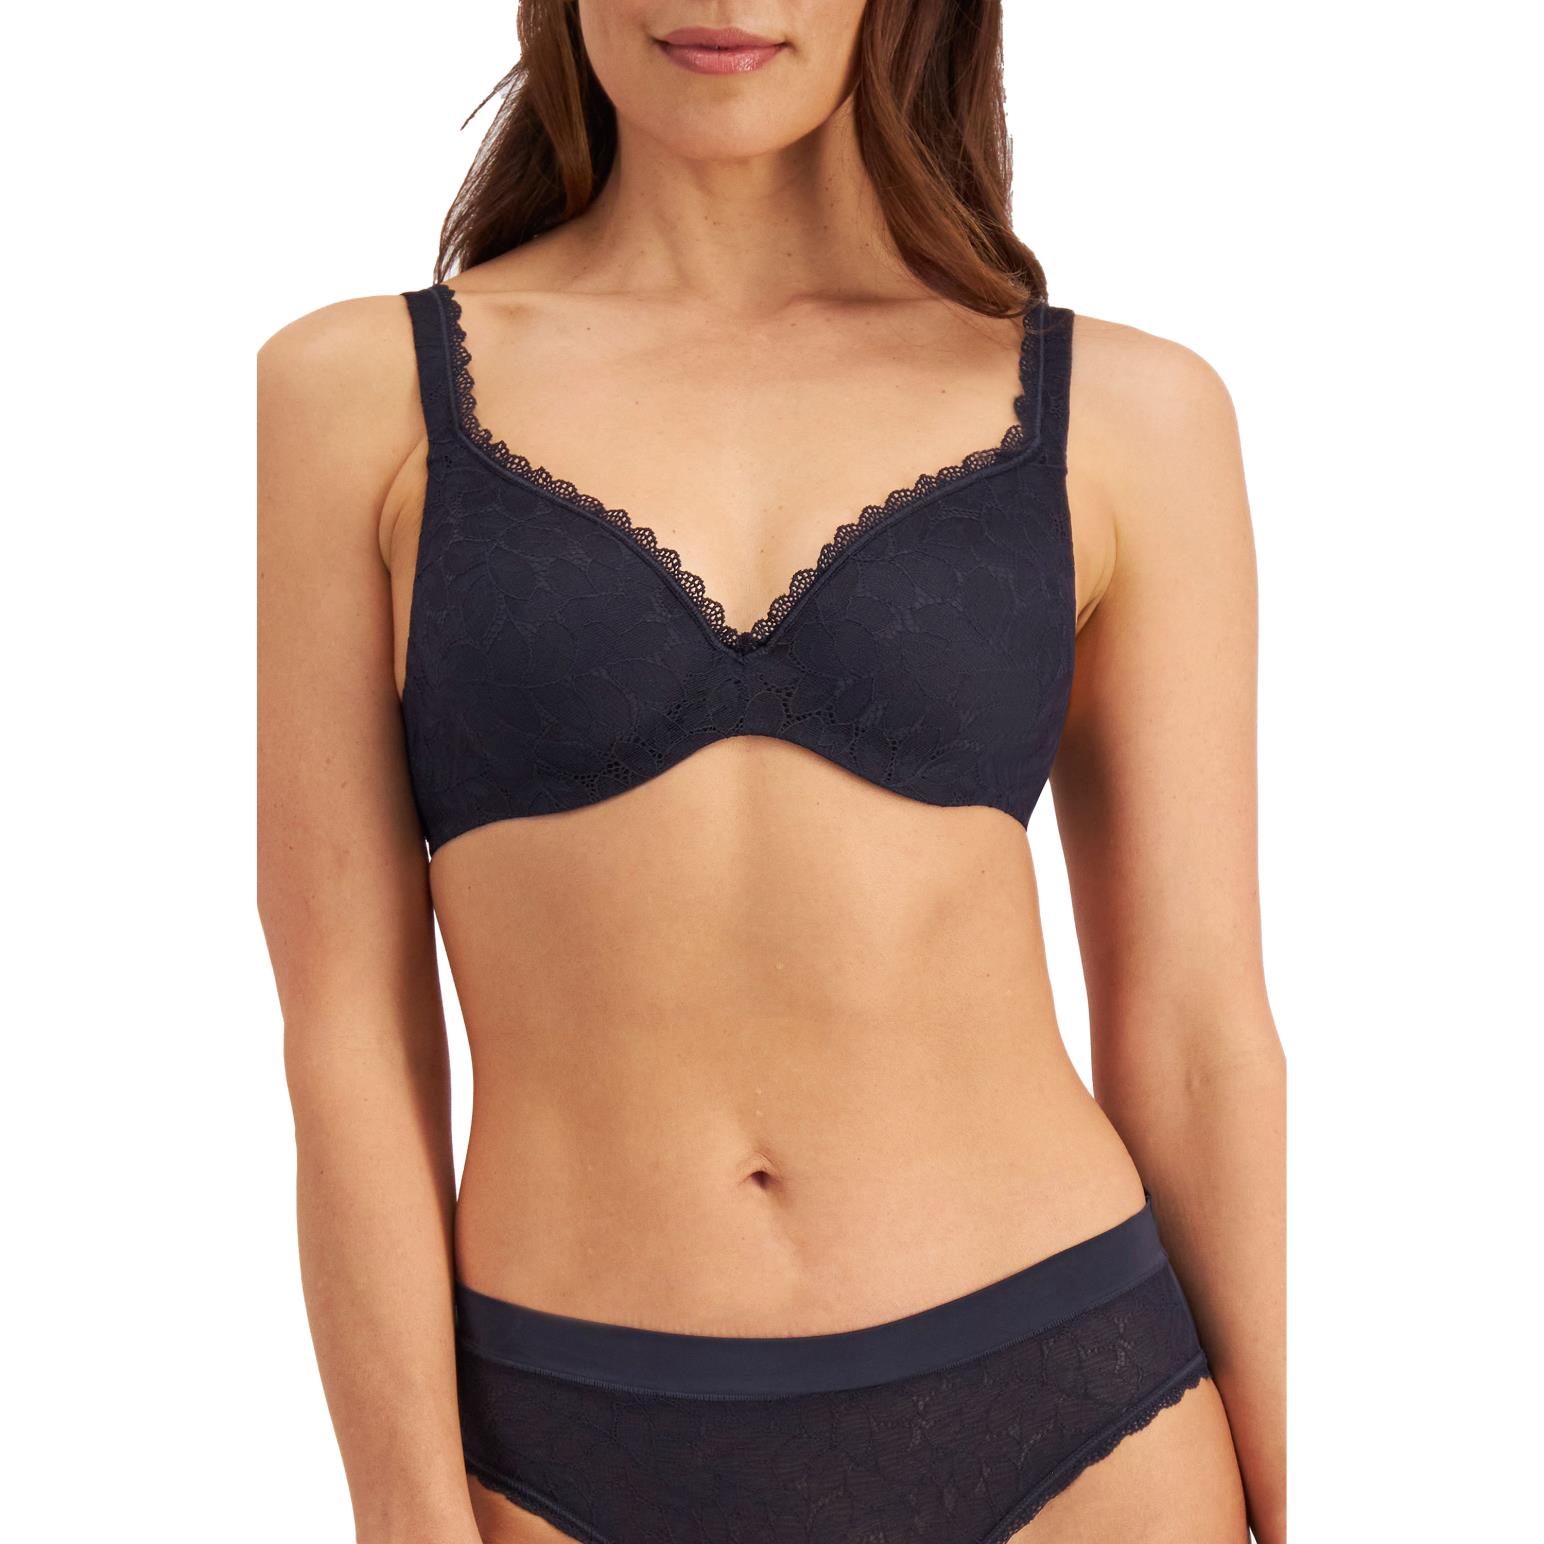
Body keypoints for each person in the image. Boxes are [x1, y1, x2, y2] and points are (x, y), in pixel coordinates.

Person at [257, 3, 1285, 1541]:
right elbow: (347, 1028)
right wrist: (406, 1514)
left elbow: (1198, 1028)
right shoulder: (357, 392)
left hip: (1077, 1409)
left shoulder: (1132, 413)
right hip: (562, 1431)